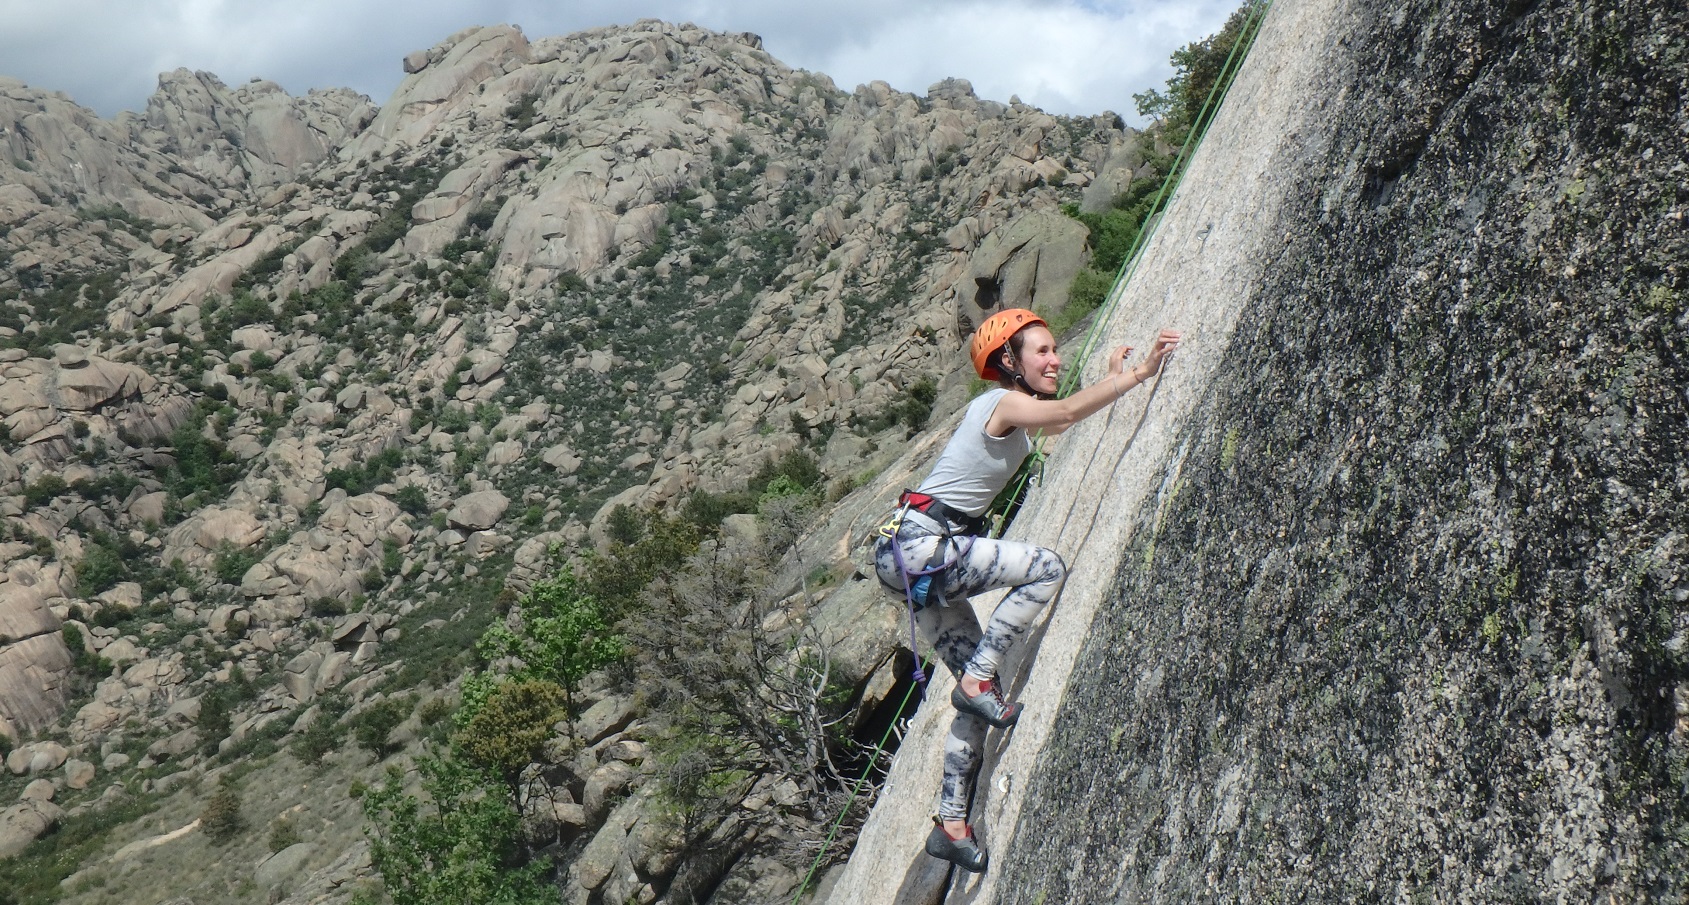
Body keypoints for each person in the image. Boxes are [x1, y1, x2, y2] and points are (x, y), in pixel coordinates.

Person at [872, 307, 1180, 873]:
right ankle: (977, 676)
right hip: (921, 547)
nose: (1054, 358)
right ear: (1008, 362)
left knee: (973, 708)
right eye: (1041, 351)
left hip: (915, 564)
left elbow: (1059, 421)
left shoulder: (1016, 413)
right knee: (1045, 567)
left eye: (1054, 349)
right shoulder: (999, 402)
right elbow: (1059, 413)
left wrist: (1106, 375)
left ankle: (951, 823)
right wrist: (1137, 375)